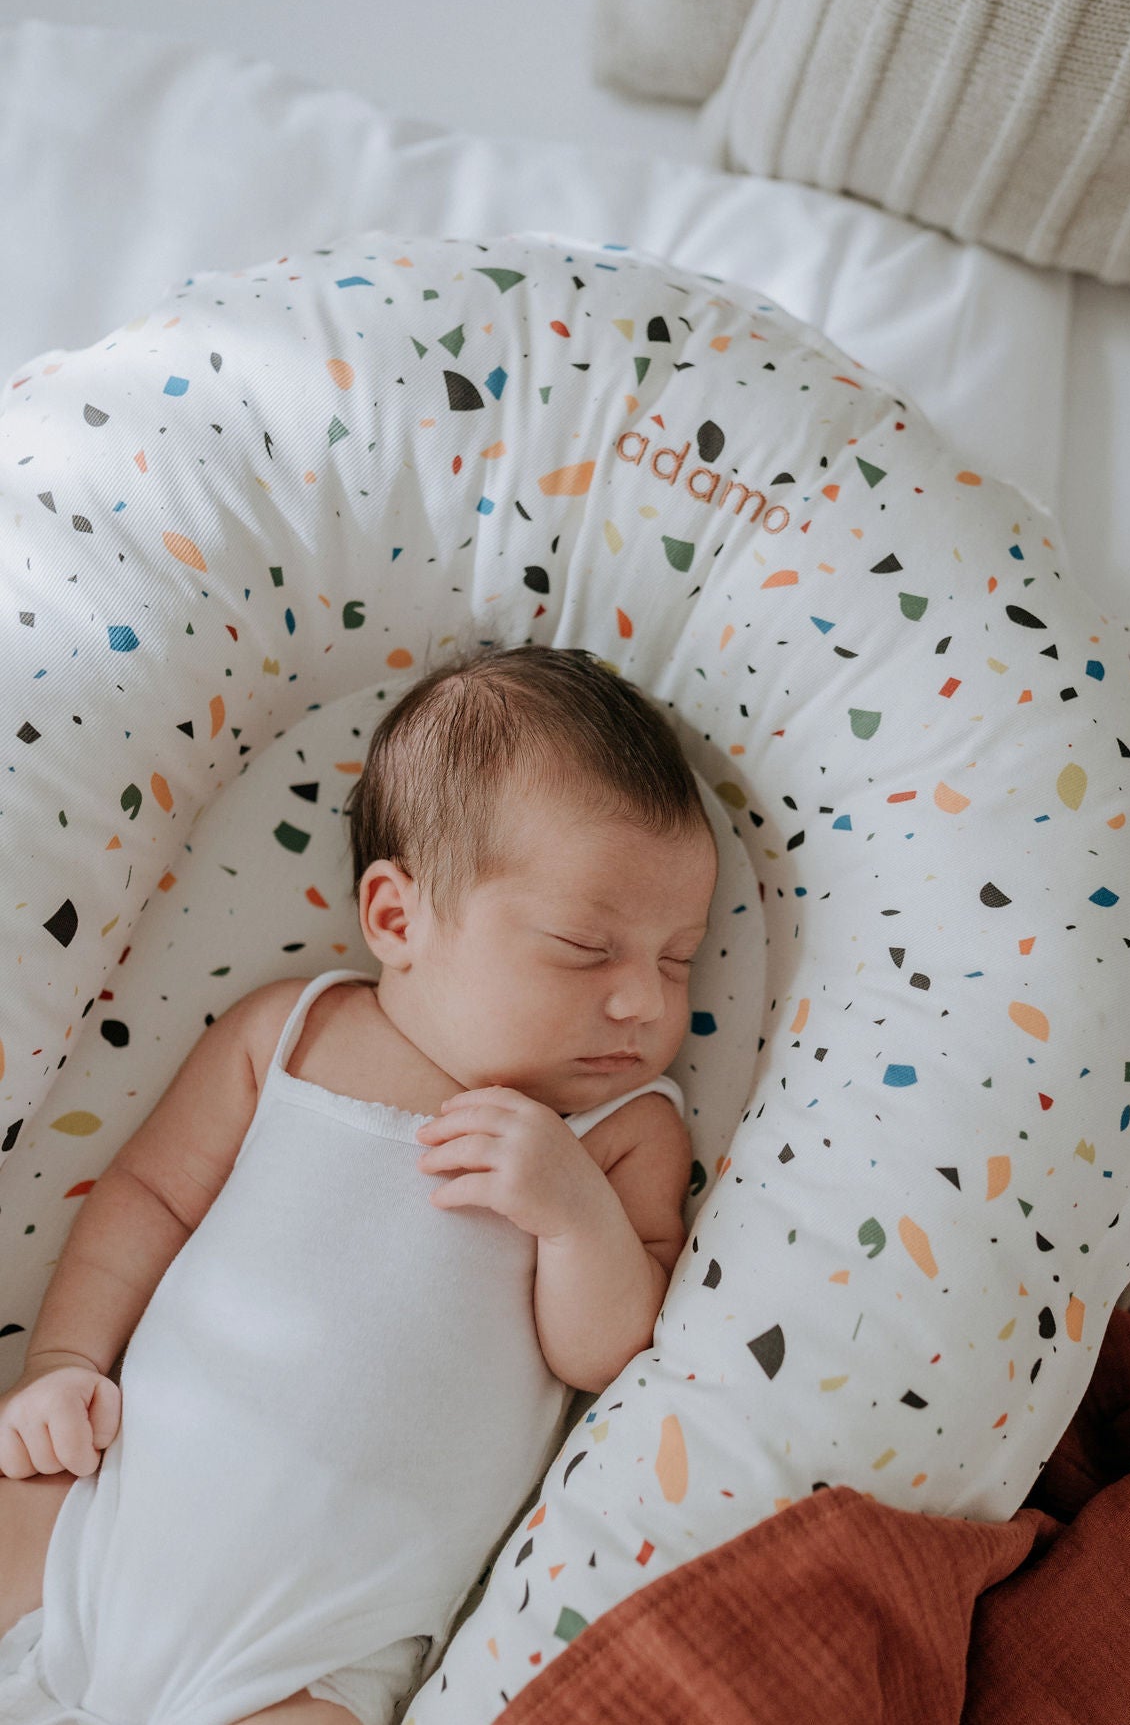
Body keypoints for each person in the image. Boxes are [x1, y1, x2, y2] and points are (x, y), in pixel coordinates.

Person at [0, 641, 719, 1725]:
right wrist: (61, 1364)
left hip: (313, 1652)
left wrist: (573, 1214)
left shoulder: (620, 1132)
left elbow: (606, 1353)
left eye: (677, 958)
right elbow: (147, 1199)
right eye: (586, 947)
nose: (644, 1003)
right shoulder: (291, 1034)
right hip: (95, 1517)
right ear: (396, 919)